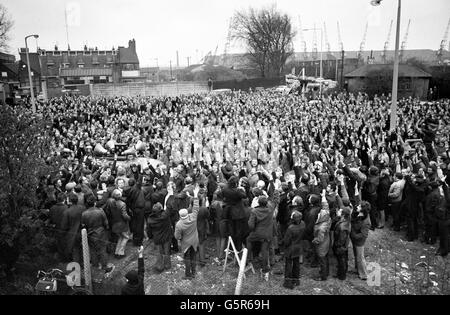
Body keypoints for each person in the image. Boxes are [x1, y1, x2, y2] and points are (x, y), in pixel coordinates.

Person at [247, 194, 277, 281]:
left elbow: (251, 225)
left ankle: (249, 258)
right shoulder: (270, 210)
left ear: (258, 202)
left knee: (248, 240)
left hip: (257, 233)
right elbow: (274, 202)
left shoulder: (254, 211)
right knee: (265, 251)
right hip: (267, 234)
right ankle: (265, 269)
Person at [81, 194, 113, 273]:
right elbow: (106, 223)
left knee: (93, 250)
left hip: (90, 233)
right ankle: (104, 266)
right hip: (101, 233)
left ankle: (95, 265)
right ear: (95, 202)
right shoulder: (100, 211)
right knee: (102, 250)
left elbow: (83, 225)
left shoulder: (84, 214)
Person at [174, 185, 200, 280]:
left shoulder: (179, 224)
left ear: (180, 215)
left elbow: (177, 237)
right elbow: (196, 207)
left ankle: (188, 275)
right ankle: (194, 272)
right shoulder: (193, 217)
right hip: (194, 241)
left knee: (187, 259)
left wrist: (180, 237)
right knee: (193, 257)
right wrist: (196, 195)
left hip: (186, 244)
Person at [312, 189, 331, 281]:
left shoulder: (321, 228)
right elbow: (325, 206)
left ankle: (323, 276)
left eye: (319, 215)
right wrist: (323, 196)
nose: (318, 214)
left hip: (321, 246)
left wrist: (314, 241)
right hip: (327, 242)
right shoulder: (327, 216)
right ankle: (326, 272)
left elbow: (319, 239)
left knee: (322, 260)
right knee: (325, 259)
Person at [147, 203, 172, 272]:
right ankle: (167, 265)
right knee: (167, 251)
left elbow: (148, 230)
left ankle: (160, 266)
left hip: (157, 237)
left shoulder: (150, 219)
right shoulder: (165, 216)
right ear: (160, 210)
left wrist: (150, 237)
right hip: (166, 236)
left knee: (159, 252)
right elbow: (167, 210)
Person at [61, 193, 86, 263]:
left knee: (75, 250)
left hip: (72, 234)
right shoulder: (83, 208)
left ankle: (77, 266)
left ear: (69, 201)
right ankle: (84, 263)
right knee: (83, 248)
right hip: (82, 232)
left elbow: (64, 226)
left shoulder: (67, 212)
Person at [282, 210, 305, 289]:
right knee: (296, 264)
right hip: (298, 246)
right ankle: (296, 280)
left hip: (291, 248)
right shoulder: (303, 224)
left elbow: (286, 241)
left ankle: (288, 282)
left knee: (288, 265)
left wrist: (284, 245)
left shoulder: (290, 228)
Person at [107, 189, 131, 258]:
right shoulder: (122, 204)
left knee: (120, 237)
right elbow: (124, 215)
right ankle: (121, 253)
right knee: (126, 237)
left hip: (114, 223)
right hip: (122, 224)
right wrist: (129, 218)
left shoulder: (110, 203)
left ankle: (116, 252)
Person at [350, 201, 371, 281]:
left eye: (359, 206)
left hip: (359, 242)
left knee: (360, 257)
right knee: (356, 255)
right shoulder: (360, 214)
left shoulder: (366, 222)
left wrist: (352, 234)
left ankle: (364, 275)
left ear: (362, 210)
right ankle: (358, 269)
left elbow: (363, 235)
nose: (357, 206)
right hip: (355, 239)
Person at [332, 207, 352, 280]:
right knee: (343, 259)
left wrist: (338, 245)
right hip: (344, 245)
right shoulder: (346, 221)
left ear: (343, 214)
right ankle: (342, 273)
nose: (338, 211)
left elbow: (342, 238)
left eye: (340, 211)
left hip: (341, 246)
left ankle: (341, 275)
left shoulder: (342, 226)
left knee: (341, 260)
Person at [48, 192, 69, 261]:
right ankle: (66, 258)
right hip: (65, 229)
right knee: (65, 244)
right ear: (64, 199)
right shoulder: (66, 208)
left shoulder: (52, 208)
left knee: (59, 243)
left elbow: (50, 218)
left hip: (56, 228)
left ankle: (60, 257)